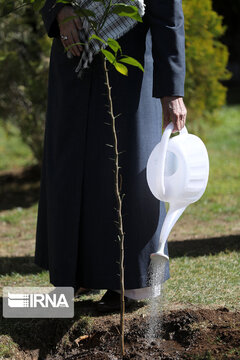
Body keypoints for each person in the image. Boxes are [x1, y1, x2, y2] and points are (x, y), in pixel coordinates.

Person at [34, 0, 187, 311]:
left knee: (130, 168)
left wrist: (173, 91)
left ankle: (135, 285)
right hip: (73, 52)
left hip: (128, 64)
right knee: (69, 167)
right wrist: (60, 11)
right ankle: (74, 277)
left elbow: (168, 13)